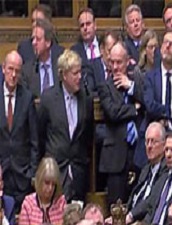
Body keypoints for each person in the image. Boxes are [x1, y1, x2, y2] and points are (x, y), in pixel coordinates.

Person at [37, 49, 94, 202]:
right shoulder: (48, 99)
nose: (79, 77)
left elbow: (88, 136)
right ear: (63, 75)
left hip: (78, 171)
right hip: (55, 171)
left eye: (80, 72)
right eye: (75, 73)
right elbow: (40, 135)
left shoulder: (86, 99)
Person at [98, 41, 145, 206]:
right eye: (112, 62)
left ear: (128, 61)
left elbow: (149, 100)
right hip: (116, 157)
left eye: (119, 62)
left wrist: (131, 86)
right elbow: (113, 112)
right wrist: (135, 109)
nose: (115, 67)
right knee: (116, 207)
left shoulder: (136, 82)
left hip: (139, 153)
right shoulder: (105, 86)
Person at [0, 50, 38, 208]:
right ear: (3, 68)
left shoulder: (27, 98)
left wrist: (31, 174)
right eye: (10, 69)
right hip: (1, 175)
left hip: (22, 176)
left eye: (17, 71)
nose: (13, 75)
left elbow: (34, 141)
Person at [18, 157, 66, 225]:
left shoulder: (61, 202)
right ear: (39, 180)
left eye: (53, 184)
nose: (50, 188)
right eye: (47, 183)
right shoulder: (28, 203)